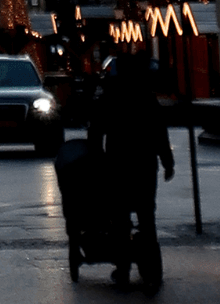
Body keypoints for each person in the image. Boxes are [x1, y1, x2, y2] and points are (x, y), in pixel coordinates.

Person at [87, 52, 174, 286]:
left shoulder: (110, 97)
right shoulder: (146, 97)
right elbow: (159, 132)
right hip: (145, 165)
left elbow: (96, 133)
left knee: (121, 218)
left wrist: (97, 159)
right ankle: (153, 269)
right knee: (147, 216)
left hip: (118, 165)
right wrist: (167, 161)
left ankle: (123, 268)